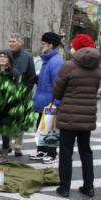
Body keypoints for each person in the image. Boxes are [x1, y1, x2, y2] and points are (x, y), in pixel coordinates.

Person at [54, 34, 101, 198]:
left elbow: (57, 91)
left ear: (78, 48)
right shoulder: (97, 69)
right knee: (86, 152)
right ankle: (89, 187)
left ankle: (64, 188)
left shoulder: (69, 66)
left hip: (68, 118)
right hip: (87, 118)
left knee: (66, 153)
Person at [30, 32, 64, 164]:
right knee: (41, 128)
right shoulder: (47, 60)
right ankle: (42, 150)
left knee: (50, 129)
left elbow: (58, 84)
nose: (41, 45)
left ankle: (52, 154)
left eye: (44, 43)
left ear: (51, 45)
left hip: (50, 103)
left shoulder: (56, 61)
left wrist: (56, 103)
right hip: (42, 102)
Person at [8, 33, 36, 156]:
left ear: (20, 43)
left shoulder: (27, 57)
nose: (11, 43)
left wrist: (26, 91)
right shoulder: (6, 54)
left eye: (13, 41)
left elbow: (32, 76)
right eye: (10, 41)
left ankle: (17, 146)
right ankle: (7, 144)